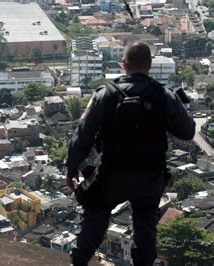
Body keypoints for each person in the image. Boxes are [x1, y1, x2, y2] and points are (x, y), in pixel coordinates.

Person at [65, 42, 195, 265]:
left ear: (123, 64)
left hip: (112, 174)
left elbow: (82, 136)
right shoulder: (164, 95)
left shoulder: (104, 94)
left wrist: (71, 168)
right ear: (150, 65)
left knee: (94, 215)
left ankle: (78, 261)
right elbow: (188, 132)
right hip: (150, 177)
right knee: (145, 228)